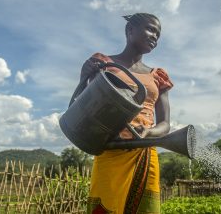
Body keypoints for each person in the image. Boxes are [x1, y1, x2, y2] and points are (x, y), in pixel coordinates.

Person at [74, 13, 173, 214]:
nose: (155, 36)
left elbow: (165, 124)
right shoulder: (103, 64)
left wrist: (147, 132)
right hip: (111, 150)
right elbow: (79, 109)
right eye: (150, 29)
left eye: (158, 34)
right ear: (130, 30)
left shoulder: (158, 75)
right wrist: (84, 78)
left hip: (145, 153)